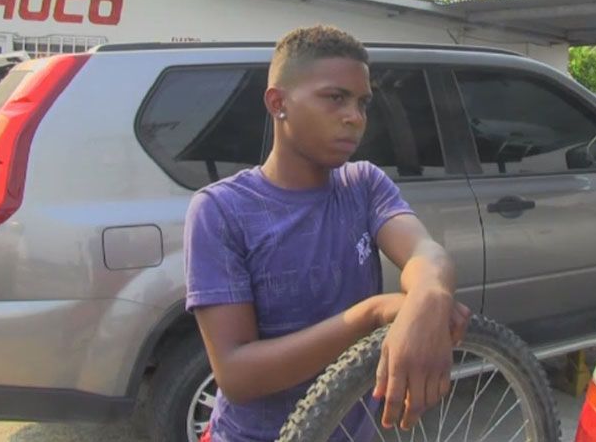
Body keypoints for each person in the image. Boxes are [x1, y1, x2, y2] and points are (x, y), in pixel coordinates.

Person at [185, 25, 470, 442]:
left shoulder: (363, 184)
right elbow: (237, 375)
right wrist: (372, 314)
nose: (355, 117)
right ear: (278, 103)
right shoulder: (221, 209)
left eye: (362, 102)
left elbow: (424, 252)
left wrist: (429, 297)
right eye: (335, 98)